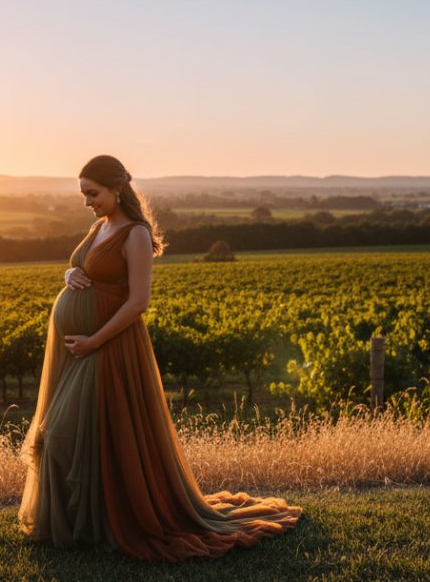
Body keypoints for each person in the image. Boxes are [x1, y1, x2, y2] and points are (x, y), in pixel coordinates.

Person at [17, 155, 300, 562]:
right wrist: (69, 275)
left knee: (63, 434)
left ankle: (107, 524)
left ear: (116, 189)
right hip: (82, 348)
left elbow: (139, 302)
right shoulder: (100, 226)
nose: (87, 202)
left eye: (92, 194)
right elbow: (83, 266)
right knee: (83, 436)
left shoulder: (134, 234)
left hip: (110, 347)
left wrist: (95, 340)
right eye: (83, 194)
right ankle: (88, 526)